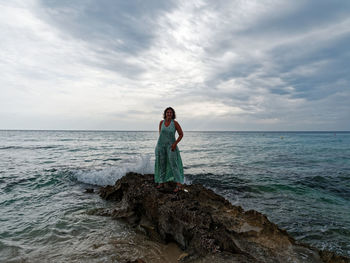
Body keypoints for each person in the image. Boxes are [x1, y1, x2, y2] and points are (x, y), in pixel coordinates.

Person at [154, 107, 184, 192]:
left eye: (171, 112)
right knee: (162, 164)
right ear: (165, 114)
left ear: (173, 114)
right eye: (168, 112)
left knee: (173, 164)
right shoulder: (161, 123)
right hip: (161, 146)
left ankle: (179, 183)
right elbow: (161, 134)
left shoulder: (175, 123)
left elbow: (181, 134)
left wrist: (175, 143)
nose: (169, 114)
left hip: (171, 146)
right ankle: (161, 182)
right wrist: (159, 146)